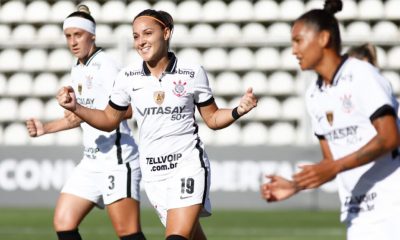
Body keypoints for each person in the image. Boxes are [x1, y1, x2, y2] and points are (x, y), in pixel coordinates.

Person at [56, 9, 257, 240]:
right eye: (136, 36)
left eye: (147, 33)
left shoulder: (192, 73)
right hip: (154, 175)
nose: (141, 41)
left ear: (166, 33)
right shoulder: (128, 77)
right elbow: (110, 120)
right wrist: (76, 108)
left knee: (176, 237)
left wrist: (237, 110)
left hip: (187, 166)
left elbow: (212, 118)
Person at [260, 0, 400, 239]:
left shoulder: (361, 74)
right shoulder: (314, 95)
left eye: (298, 41)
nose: (294, 50)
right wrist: (296, 185)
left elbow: (390, 137)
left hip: (393, 208)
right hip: (358, 214)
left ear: (324, 39)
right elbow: (330, 162)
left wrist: (335, 166)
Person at [26, 5, 146, 240]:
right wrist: (46, 128)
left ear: (92, 35)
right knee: (63, 222)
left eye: (78, 35)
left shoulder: (106, 66)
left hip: (117, 159)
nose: (72, 41)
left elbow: (129, 109)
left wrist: (84, 109)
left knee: (127, 232)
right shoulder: (78, 67)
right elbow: (83, 115)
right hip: (91, 161)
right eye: (68, 36)